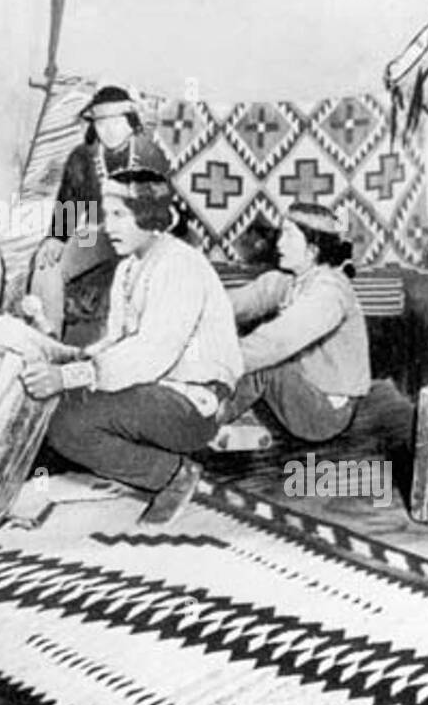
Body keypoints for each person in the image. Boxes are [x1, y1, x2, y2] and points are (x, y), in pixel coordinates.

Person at [19, 168, 241, 526]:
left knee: (65, 419)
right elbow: (116, 340)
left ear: (151, 215)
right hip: (156, 392)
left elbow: (150, 354)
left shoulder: (178, 264)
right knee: (63, 404)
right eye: (107, 216)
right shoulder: (129, 267)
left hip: (193, 404)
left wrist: (70, 375)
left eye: (120, 215)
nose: (109, 227)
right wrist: (76, 359)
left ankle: (172, 475)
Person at [27, 85, 171, 334]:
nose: (109, 130)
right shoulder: (82, 156)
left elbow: (161, 208)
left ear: (130, 122)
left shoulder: (151, 153)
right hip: (95, 231)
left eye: (116, 122)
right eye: (102, 123)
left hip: (142, 234)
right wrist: (57, 237)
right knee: (46, 265)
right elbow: (69, 202)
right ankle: (47, 343)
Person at [226, 203, 370, 443]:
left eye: (290, 236)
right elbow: (227, 305)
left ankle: (201, 421)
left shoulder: (330, 290)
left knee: (268, 364)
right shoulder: (286, 282)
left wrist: (218, 360)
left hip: (327, 412)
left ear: (312, 249)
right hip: (303, 388)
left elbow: (277, 342)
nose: (280, 243)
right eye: (281, 234)